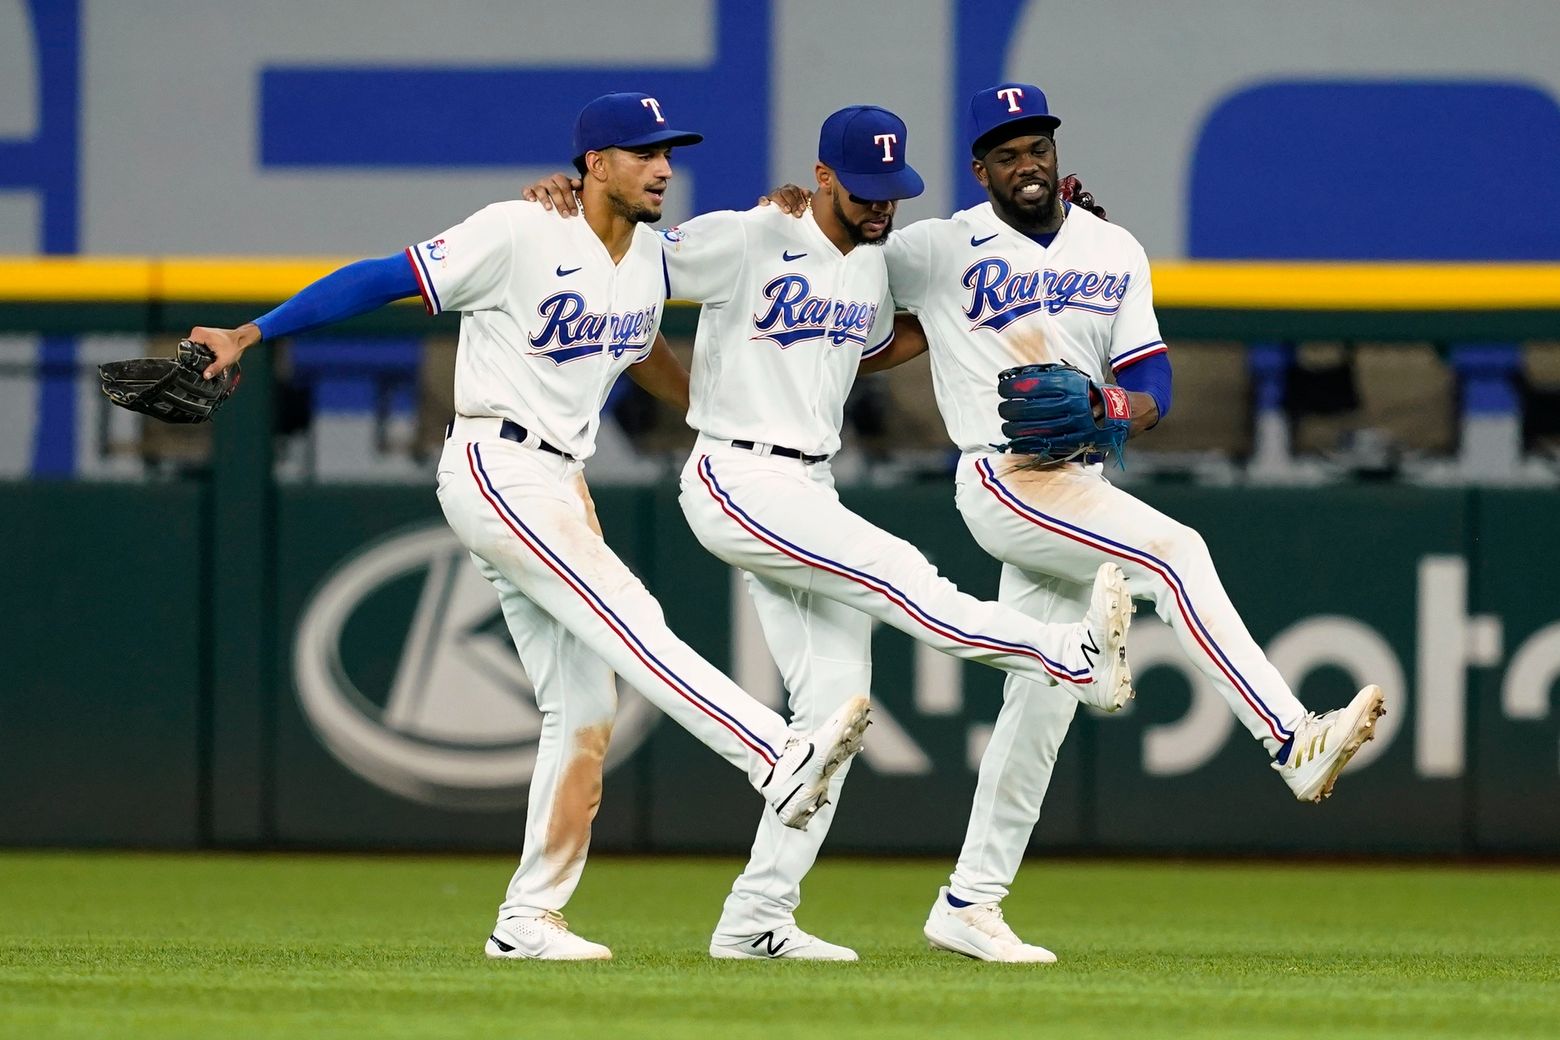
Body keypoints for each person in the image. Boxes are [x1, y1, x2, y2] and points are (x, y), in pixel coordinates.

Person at [183, 92, 872, 963]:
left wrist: (777, 237)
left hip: (559, 477)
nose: (663, 167)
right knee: (630, 614)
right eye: (642, 152)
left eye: (668, 152)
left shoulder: (648, 259)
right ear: (595, 164)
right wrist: (252, 331)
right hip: (495, 460)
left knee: (584, 703)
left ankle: (528, 920)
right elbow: (381, 276)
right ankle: (771, 753)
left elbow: (646, 351)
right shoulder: (518, 229)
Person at [523, 105, 1134, 963]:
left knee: (838, 710)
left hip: (807, 477)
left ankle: (756, 918)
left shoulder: (877, 264)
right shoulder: (749, 234)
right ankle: (1065, 654)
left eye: (894, 192)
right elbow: (627, 257)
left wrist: (1064, 258)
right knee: (897, 573)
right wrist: (572, 194)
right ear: (821, 177)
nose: (882, 207)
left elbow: (899, 339)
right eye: (864, 191)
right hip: (738, 473)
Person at [850, 82, 1386, 962]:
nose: (1029, 164)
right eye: (1008, 153)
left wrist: (1110, 404)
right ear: (980, 167)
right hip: (1006, 473)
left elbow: (1156, 386)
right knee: (1177, 554)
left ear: (1057, 153)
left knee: (1042, 699)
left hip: (1080, 472)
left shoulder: (1113, 246)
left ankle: (967, 901)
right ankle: (1292, 740)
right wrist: (793, 210)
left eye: (1040, 147)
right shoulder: (937, 245)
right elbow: (839, 260)